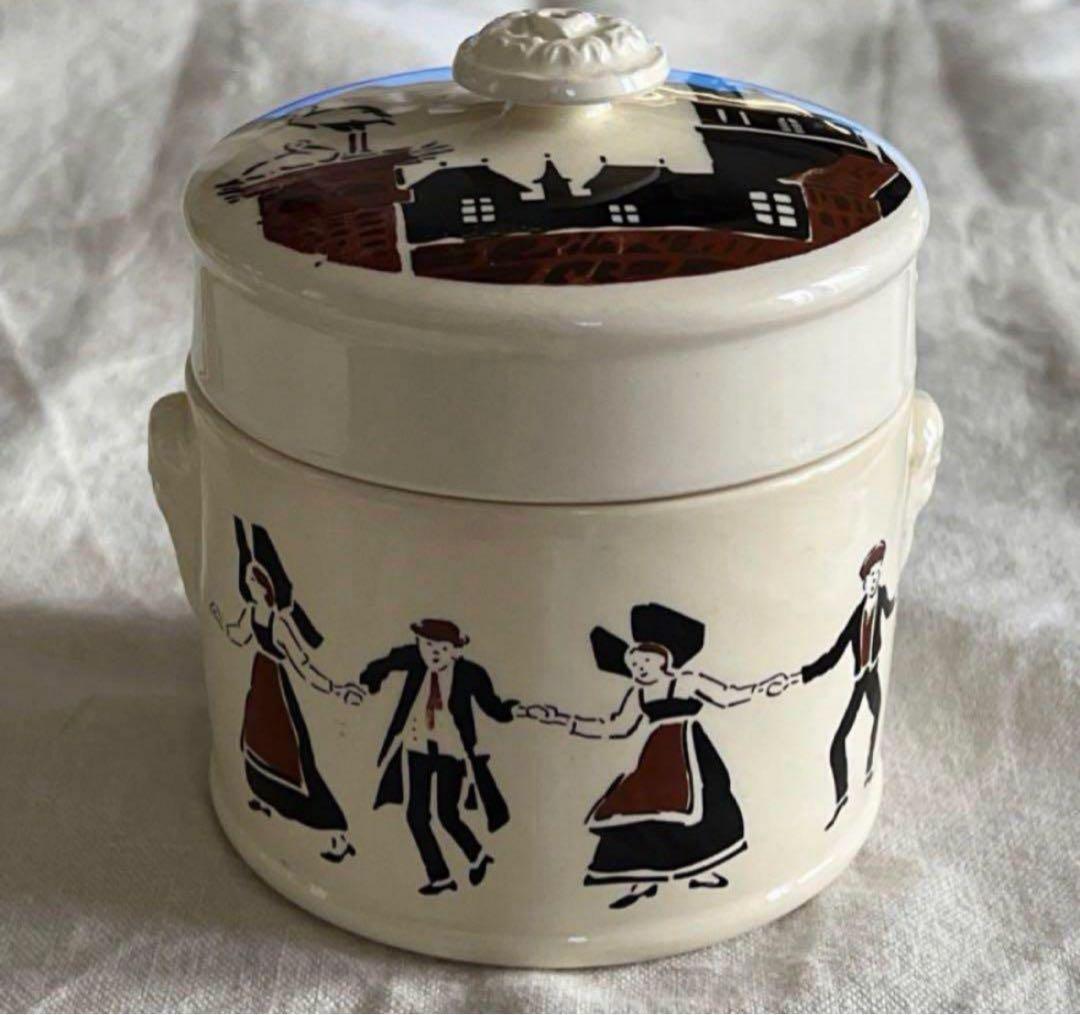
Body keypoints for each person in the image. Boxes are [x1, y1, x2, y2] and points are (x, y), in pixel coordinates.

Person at [523, 603, 797, 910]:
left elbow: (728, 695)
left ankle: (701, 869)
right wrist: (564, 721)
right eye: (634, 663)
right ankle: (643, 878)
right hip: (657, 756)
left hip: (691, 748)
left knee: (705, 802)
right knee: (643, 808)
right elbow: (614, 727)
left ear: (663, 661)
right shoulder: (639, 694)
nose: (639, 668)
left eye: (645, 662)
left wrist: (765, 688)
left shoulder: (687, 682)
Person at [210, 518, 354, 862]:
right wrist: (216, 614)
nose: (249, 585)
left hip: (276, 686)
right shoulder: (252, 613)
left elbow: (303, 665)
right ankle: (262, 799)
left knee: (294, 758)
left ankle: (336, 829)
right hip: (260, 681)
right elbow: (238, 635)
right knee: (256, 741)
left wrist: (335, 688)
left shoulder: (279, 623)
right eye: (248, 580)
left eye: (253, 581)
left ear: (266, 588)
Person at [344, 620, 517, 895]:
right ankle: (440, 876)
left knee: (447, 814)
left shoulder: (470, 674)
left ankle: (476, 855)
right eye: (427, 645)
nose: (434, 653)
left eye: (443, 648)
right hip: (418, 749)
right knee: (416, 815)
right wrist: (367, 683)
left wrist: (517, 710)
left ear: (456, 651)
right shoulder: (414, 660)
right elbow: (385, 664)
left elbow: (493, 706)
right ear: (418, 645)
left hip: (451, 753)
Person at [800, 540, 894, 830]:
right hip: (860, 679)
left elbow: (889, 608)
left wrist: (890, 592)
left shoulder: (881, 597)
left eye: (877, 575)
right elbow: (834, 654)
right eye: (870, 577)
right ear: (863, 581)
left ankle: (867, 771)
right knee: (838, 741)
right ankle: (841, 798)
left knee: (875, 718)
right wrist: (802, 675)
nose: (874, 580)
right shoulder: (856, 616)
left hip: (873, 673)